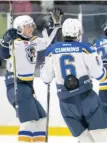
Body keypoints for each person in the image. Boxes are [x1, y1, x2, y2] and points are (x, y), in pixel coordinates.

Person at [40, 18, 107, 143]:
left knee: (84, 139)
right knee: (101, 136)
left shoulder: (52, 50)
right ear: (78, 32)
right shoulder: (86, 49)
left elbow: (46, 79)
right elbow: (99, 75)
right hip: (87, 99)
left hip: (66, 103)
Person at [0, 9, 63, 143]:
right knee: (28, 123)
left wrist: (55, 26)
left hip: (27, 87)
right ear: (19, 29)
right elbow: (4, 55)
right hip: (16, 85)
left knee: (41, 120)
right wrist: (4, 41)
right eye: (27, 26)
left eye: (31, 25)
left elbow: (49, 42)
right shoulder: (14, 42)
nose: (31, 28)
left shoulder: (34, 41)